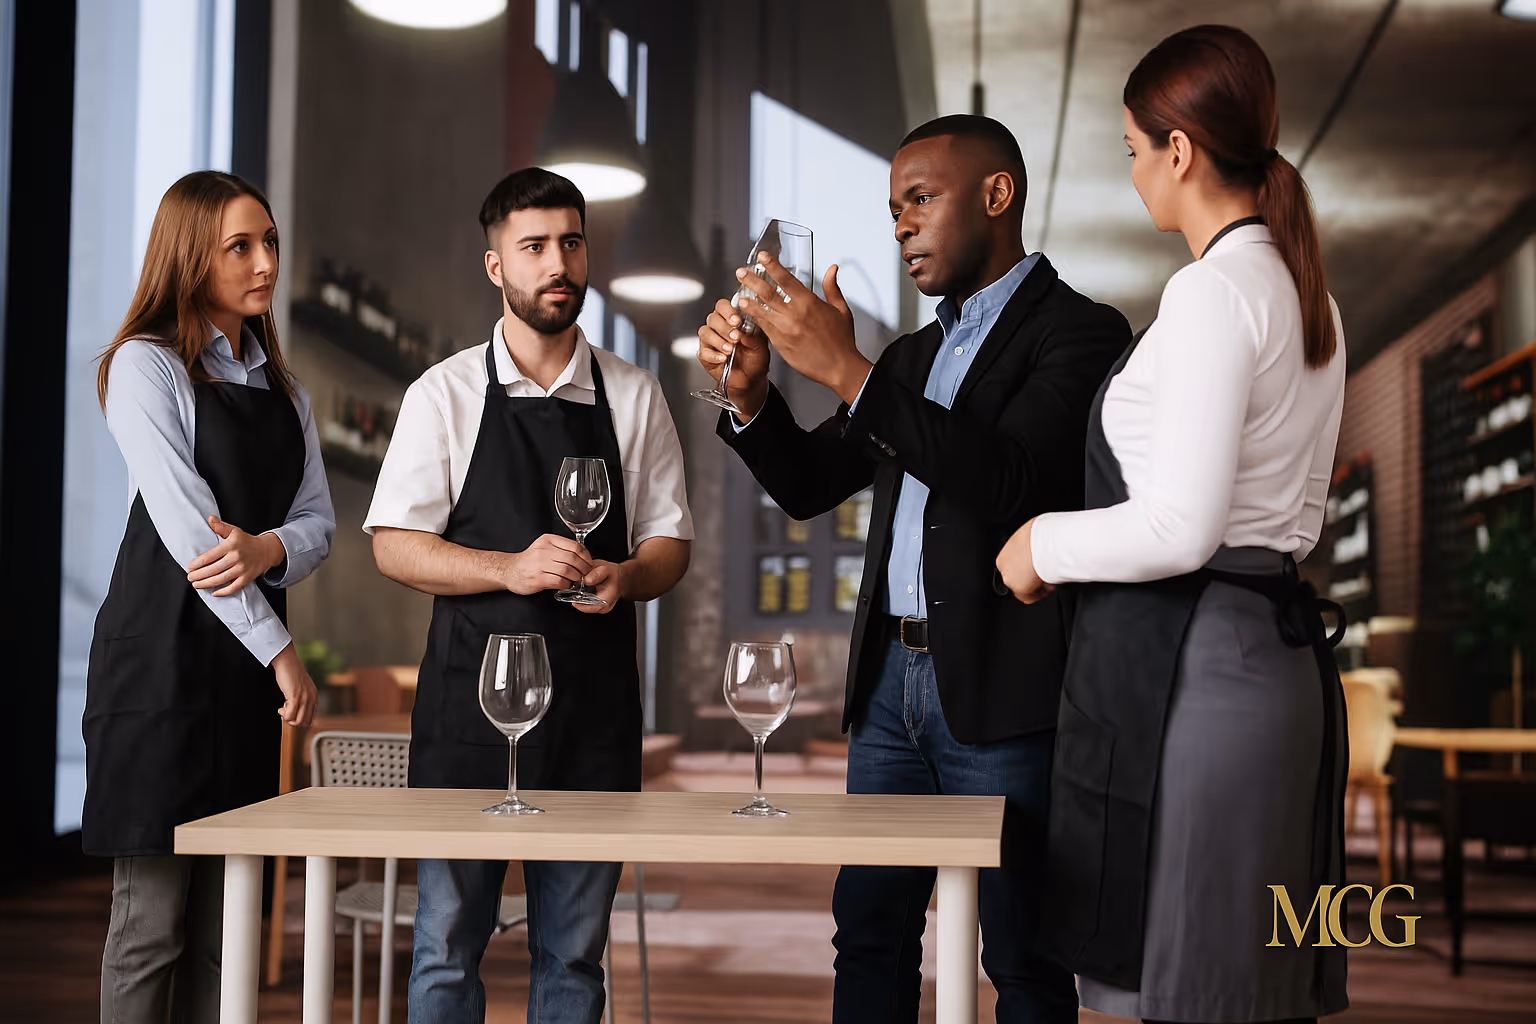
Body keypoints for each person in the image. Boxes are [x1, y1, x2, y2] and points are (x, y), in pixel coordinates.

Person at [697, 115, 1130, 1023]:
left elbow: (1009, 479)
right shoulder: (912, 357)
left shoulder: (1082, 334)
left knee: (1021, 953)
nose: (901, 225)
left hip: (1002, 695)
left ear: (996, 195)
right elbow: (813, 485)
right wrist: (753, 400)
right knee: (870, 932)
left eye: (921, 200)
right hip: (889, 688)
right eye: (894, 209)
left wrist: (850, 374)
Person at [995, 25, 1349, 1024]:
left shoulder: (1210, 293)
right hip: (1280, 677)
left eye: (1135, 151)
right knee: (1263, 989)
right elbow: (1297, 521)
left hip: (1207, 686)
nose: (1138, 172)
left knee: (1204, 997)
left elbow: (1185, 527)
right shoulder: (1305, 291)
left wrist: (1040, 547)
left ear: (1180, 151)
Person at [365, 167, 692, 1024]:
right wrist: (506, 568)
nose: (559, 263)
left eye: (572, 243)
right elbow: (394, 546)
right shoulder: (441, 393)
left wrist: (626, 575)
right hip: (468, 720)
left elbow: (669, 543)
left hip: (593, 717)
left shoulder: (633, 393)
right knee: (444, 949)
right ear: (495, 267)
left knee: (574, 959)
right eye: (535, 247)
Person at [85, 170, 334, 1023]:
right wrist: (283, 652)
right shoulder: (144, 367)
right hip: (157, 672)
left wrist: (270, 545)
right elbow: (196, 539)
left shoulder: (285, 392)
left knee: (227, 933)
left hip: (239, 683)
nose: (265, 262)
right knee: (151, 924)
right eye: (241, 246)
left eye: (270, 242)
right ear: (192, 256)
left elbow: (319, 525)